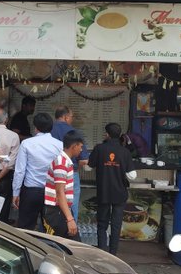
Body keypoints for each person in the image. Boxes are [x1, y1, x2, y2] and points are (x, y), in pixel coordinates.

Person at [88, 123, 137, 255]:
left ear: (107, 135)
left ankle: (102, 252)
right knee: (116, 225)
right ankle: (113, 253)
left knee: (102, 223)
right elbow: (132, 176)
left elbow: (88, 167)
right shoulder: (125, 152)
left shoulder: (99, 148)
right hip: (120, 193)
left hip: (104, 192)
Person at [12, 113, 62, 230]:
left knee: (26, 229)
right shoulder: (59, 145)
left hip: (30, 192)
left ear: (36, 128)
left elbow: (20, 171)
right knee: (50, 229)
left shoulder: (27, 143)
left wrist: (16, 193)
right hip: (51, 192)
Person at [42, 130, 84, 240]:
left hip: (60, 210)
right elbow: (60, 192)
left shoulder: (64, 161)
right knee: (70, 245)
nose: (81, 149)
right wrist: (70, 219)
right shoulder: (62, 163)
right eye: (80, 146)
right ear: (74, 146)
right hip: (57, 211)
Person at [50, 106, 89, 222]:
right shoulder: (74, 133)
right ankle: (70, 232)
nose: (72, 119)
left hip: (49, 174)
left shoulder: (47, 131)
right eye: (72, 117)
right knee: (71, 206)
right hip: (71, 174)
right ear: (66, 117)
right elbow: (83, 160)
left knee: (50, 205)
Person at [0, 108, 20, 223]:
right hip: (5, 175)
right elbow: (11, 162)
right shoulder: (13, 136)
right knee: (2, 207)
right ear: (6, 120)